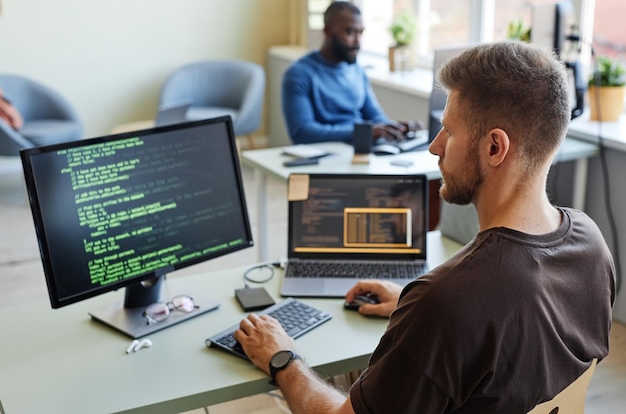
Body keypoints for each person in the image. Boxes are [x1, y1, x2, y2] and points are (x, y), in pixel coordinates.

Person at [234, 41, 615, 413]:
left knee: (314, 370)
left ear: (495, 148)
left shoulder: (445, 301)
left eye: (448, 130)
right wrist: (409, 304)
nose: (435, 146)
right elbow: (513, 330)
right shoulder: (591, 243)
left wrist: (281, 356)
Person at [282, 1, 421, 145]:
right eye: (349, 32)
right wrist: (364, 132)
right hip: (326, 154)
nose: (357, 41)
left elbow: (375, 116)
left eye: (361, 32)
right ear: (327, 31)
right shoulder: (298, 74)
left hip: (359, 149)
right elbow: (302, 133)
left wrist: (395, 128)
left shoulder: (357, 71)